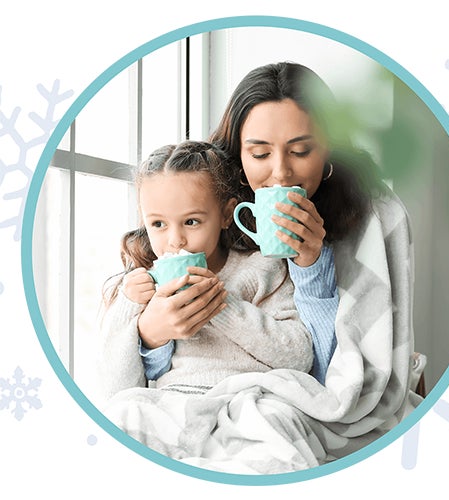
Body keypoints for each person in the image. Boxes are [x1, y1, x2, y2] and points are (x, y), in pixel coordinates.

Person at [209, 61, 387, 384]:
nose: (281, 172)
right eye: (260, 154)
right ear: (237, 156)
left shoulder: (367, 219)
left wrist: (312, 266)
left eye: (301, 150)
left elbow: (329, 379)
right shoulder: (209, 211)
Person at [98, 140, 313, 400]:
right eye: (158, 224)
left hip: (253, 398)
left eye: (191, 221)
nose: (175, 240)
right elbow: (114, 391)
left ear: (225, 214)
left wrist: (222, 305)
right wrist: (135, 314)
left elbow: (299, 358)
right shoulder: (141, 288)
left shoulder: (262, 268)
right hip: (176, 403)